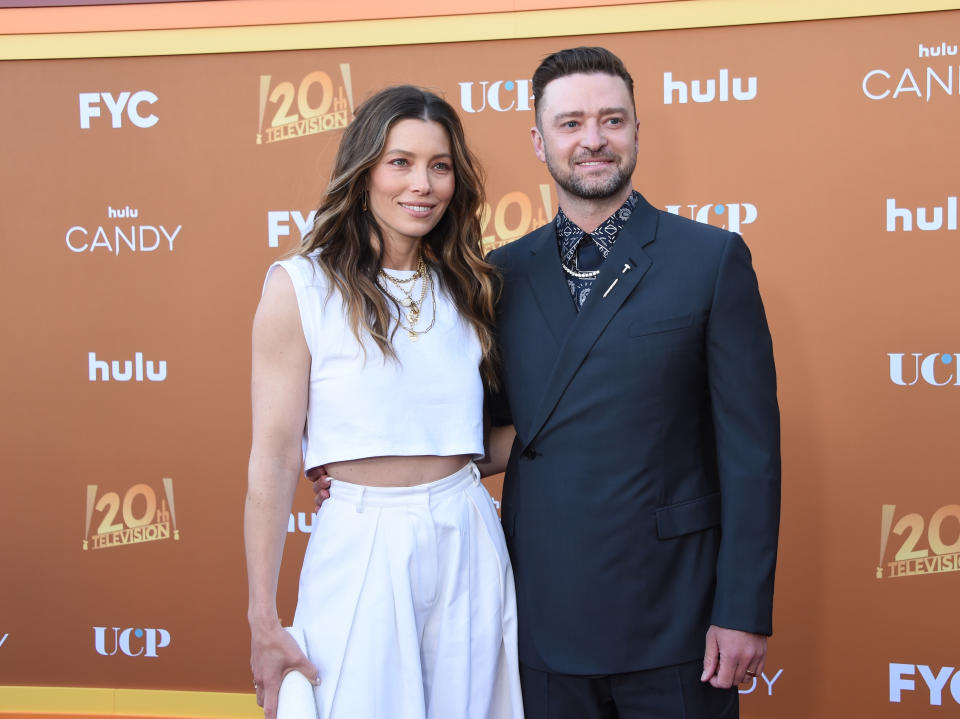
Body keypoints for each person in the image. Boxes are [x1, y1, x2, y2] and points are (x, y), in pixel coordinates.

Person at [482, 46, 782, 718]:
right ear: (539, 140)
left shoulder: (711, 259)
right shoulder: (501, 274)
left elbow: (751, 454)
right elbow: (473, 427)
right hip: (542, 613)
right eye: (571, 123)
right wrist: (366, 466)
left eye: (612, 120)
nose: (593, 140)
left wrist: (742, 609)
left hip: (677, 619)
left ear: (637, 130)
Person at [244, 85, 524, 719]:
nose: (421, 184)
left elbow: (468, 444)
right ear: (364, 168)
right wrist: (263, 617)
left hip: (468, 532)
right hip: (360, 538)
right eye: (400, 161)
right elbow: (274, 457)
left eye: (440, 165)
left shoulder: (470, 286)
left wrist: (599, 422)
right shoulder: (301, 285)